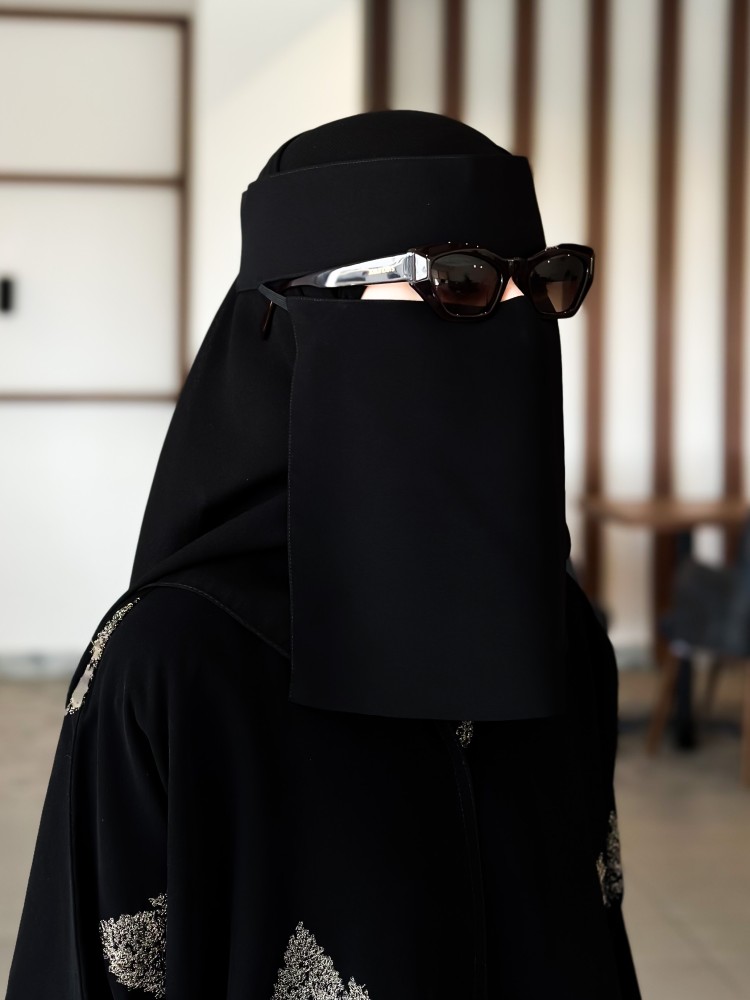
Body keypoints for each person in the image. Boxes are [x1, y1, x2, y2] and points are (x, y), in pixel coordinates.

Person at [6, 110, 642, 999]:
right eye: (460, 281)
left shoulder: (560, 630)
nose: (516, 320)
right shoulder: (175, 664)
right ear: (300, 308)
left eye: (541, 282)